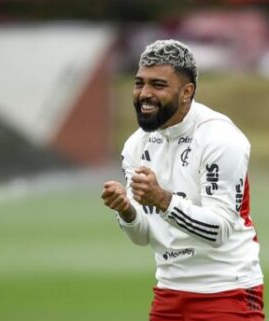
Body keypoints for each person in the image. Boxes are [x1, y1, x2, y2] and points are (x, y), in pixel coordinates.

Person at [101, 39, 264, 321]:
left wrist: (162, 199)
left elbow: (220, 230)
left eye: (158, 85)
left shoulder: (220, 139)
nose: (144, 94)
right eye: (140, 83)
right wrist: (126, 211)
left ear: (187, 92)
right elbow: (142, 236)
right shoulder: (136, 146)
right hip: (169, 293)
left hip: (226, 291)